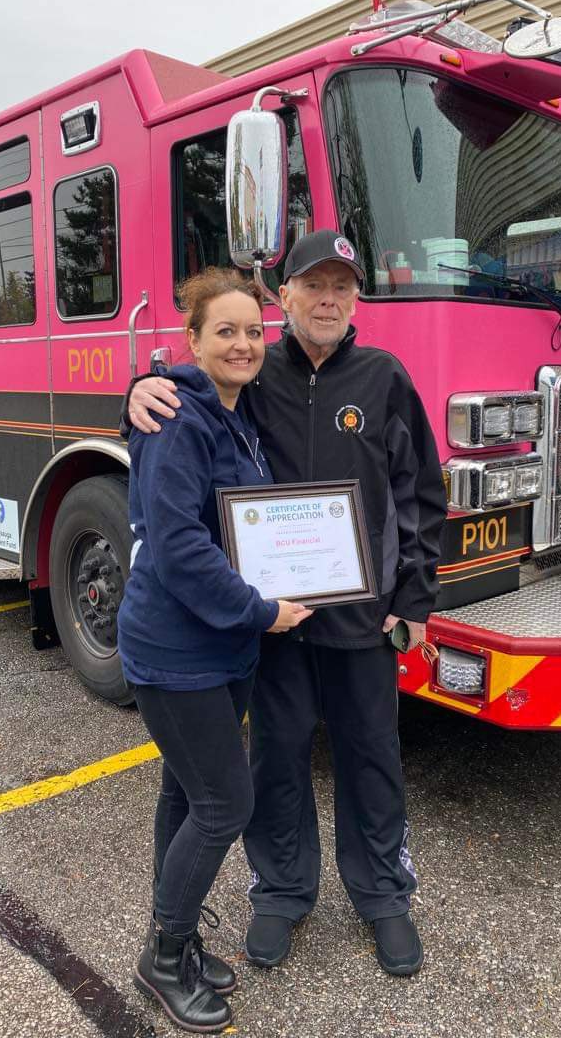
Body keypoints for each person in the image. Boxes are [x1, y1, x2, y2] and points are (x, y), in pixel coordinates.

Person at [124, 230, 446, 978]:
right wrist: (133, 393)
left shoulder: (384, 377)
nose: (328, 299)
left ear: (356, 298)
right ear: (285, 298)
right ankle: (281, 891)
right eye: (313, 286)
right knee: (277, 757)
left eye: (343, 286)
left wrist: (417, 597)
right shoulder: (251, 370)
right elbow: (176, 406)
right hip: (275, 621)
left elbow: (421, 495)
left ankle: (382, 894)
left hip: (365, 618)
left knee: (372, 756)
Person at [118, 267, 311, 1033]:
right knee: (226, 802)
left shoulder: (238, 416)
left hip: (221, 648)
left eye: (253, 332)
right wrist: (259, 611)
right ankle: (162, 960)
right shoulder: (178, 418)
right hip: (176, 649)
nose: (242, 344)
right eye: (224, 331)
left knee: (186, 794)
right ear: (191, 342)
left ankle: (181, 936)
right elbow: (177, 545)